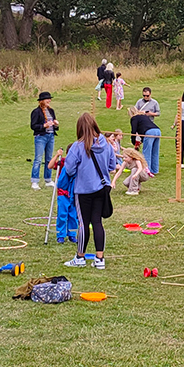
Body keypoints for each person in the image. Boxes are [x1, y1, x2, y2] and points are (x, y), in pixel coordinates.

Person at [61, 112, 121, 269]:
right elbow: (111, 166)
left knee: (83, 223)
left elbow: (69, 169)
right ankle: (99, 259)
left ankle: (80, 257)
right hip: (102, 189)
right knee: (97, 222)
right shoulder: (106, 145)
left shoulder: (77, 147)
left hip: (83, 191)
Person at [50, 148, 81, 244]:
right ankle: (61, 235)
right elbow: (50, 166)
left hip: (74, 192)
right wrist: (56, 155)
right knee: (62, 214)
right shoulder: (63, 161)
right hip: (63, 192)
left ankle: (72, 234)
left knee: (73, 215)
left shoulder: (80, 163)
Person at [30, 91, 58, 190]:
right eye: (47, 99)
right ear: (42, 101)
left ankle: (48, 179)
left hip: (50, 136)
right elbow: (33, 126)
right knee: (38, 159)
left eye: (50, 99)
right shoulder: (36, 112)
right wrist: (44, 126)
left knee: (49, 159)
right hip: (40, 137)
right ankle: (35, 181)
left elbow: (53, 125)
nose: (49, 101)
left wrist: (55, 124)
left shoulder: (51, 111)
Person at [131, 87, 161, 174]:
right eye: (144, 95)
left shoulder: (135, 118)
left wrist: (134, 142)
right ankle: (155, 170)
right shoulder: (140, 105)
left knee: (147, 151)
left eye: (147, 95)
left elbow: (134, 131)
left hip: (149, 131)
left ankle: (146, 171)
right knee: (155, 151)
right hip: (157, 130)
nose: (145, 97)